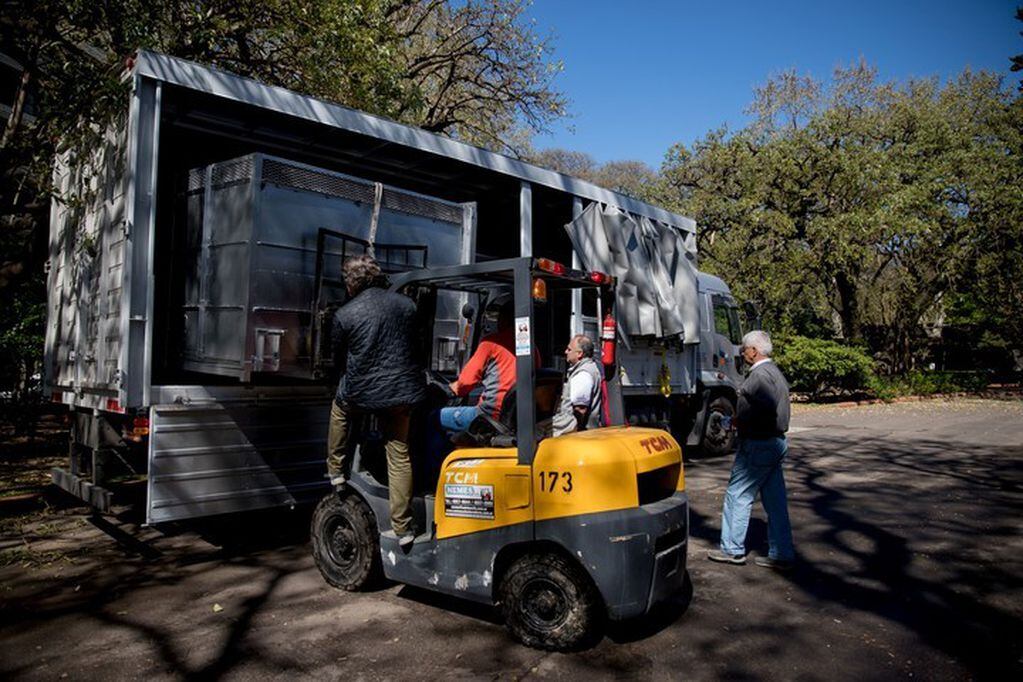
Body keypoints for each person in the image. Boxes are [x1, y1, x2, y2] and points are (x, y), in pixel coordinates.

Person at [326, 254, 425, 548]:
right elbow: (416, 347)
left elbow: (336, 360)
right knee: (398, 454)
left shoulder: (345, 314)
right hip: (402, 393)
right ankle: (403, 528)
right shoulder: (408, 306)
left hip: (362, 393)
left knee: (339, 409)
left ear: (351, 283)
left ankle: (335, 472)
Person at [707, 330, 795, 570]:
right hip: (774, 443)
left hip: (759, 444)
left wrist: (739, 423)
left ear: (754, 351)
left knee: (738, 496)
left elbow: (763, 412)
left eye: (744, 349)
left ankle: (732, 549)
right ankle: (782, 552)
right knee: (775, 502)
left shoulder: (758, 377)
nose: (742, 352)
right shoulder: (774, 373)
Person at [442, 300, 519, 432]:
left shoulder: (491, 343)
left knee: (435, 417)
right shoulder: (532, 349)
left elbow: (466, 383)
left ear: (504, 319)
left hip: (490, 415)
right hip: (515, 415)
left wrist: (451, 388)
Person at [551, 334, 603, 437]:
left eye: (569, 349)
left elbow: (580, 410)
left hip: (578, 435)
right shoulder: (589, 367)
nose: (566, 352)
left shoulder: (582, 374)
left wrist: (576, 434)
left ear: (579, 354)